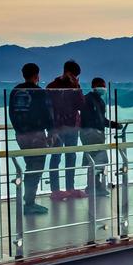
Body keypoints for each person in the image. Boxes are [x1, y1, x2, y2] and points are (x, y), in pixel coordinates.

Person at [8, 63, 54, 216]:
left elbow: (12, 114)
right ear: (37, 76)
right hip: (36, 134)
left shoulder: (15, 91)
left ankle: (28, 200)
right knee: (36, 167)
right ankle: (29, 203)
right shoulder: (39, 92)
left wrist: (18, 131)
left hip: (21, 134)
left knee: (30, 165)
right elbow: (47, 114)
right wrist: (51, 132)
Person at [46, 60, 86, 200]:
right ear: (68, 72)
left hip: (72, 127)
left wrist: (76, 88)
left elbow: (82, 106)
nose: (75, 78)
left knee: (71, 156)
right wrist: (51, 129)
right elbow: (48, 109)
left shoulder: (74, 87)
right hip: (57, 127)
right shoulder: (52, 87)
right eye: (74, 75)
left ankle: (70, 188)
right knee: (56, 157)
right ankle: (55, 190)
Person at [80, 77, 124, 197]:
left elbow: (102, 120)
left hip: (98, 134)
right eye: (101, 85)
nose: (103, 88)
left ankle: (95, 186)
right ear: (94, 86)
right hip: (90, 134)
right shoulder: (87, 99)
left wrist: (114, 124)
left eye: (104, 86)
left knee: (98, 161)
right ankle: (93, 187)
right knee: (97, 160)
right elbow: (89, 119)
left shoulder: (100, 101)